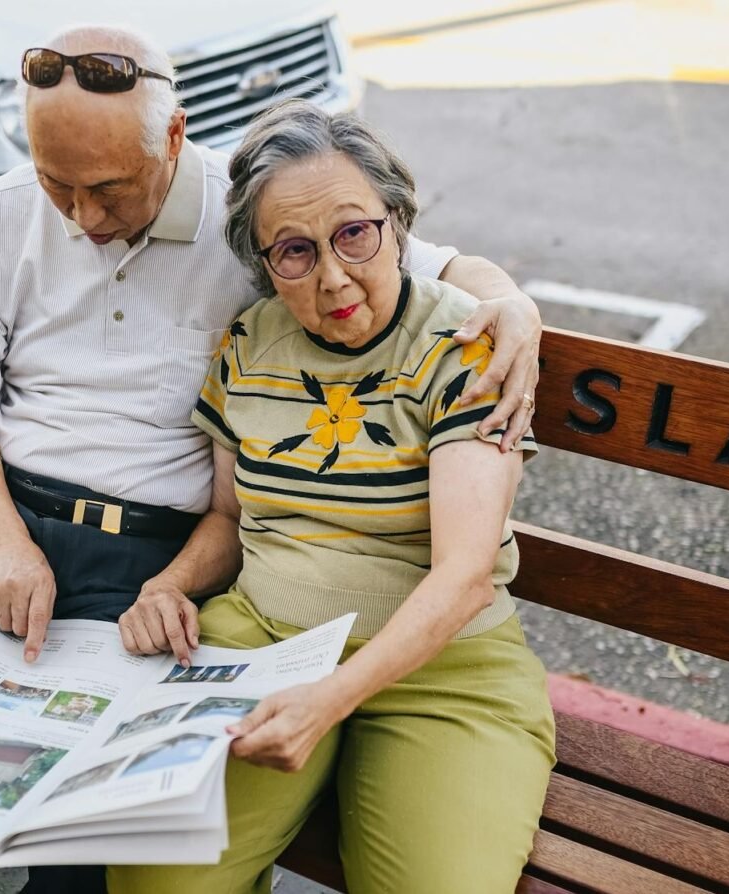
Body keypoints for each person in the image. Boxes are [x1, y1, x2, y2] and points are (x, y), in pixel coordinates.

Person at [0, 24, 543, 894]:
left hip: (150, 551)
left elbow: (403, 262)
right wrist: (2, 542)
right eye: (57, 185)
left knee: (78, 827)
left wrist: (512, 301)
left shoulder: (259, 216)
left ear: (174, 138)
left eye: (108, 188)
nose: (83, 219)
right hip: (8, 525)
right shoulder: (9, 216)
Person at [113, 99, 555, 894]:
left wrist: (332, 699)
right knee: (153, 886)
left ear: (398, 222)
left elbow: (463, 576)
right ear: (262, 261)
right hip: (263, 647)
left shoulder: (466, 346)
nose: (334, 275)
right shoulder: (248, 344)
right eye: (294, 251)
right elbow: (226, 518)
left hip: (442, 671)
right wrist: (168, 586)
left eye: (355, 233)